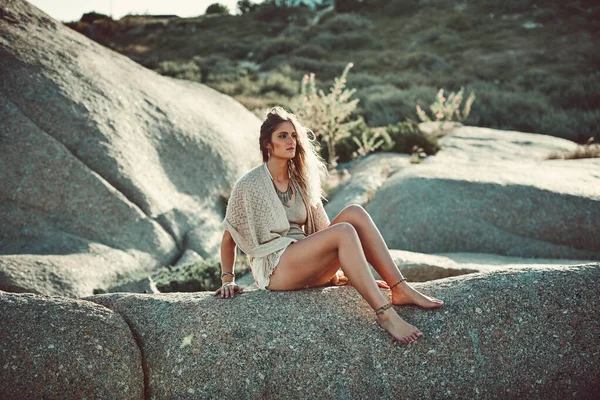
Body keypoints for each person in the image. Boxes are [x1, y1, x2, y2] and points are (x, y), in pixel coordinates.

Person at [214, 106, 443, 344]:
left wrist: (357, 274)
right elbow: (229, 236)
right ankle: (385, 315)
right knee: (344, 231)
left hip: (303, 261)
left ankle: (400, 287)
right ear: (267, 144)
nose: (291, 141)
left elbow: (321, 232)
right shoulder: (249, 184)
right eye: (282, 136)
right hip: (275, 268)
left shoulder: (299, 182)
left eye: (293, 135)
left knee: (354, 213)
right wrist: (227, 279)